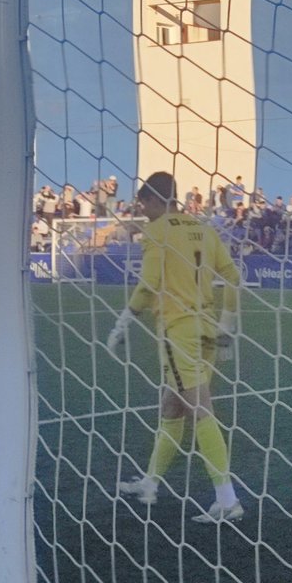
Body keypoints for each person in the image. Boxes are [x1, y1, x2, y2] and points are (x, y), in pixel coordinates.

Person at [105, 171, 243, 523]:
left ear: (154, 200)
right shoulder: (204, 228)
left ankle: (227, 500)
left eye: (143, 203)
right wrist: (226, 323)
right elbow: (233, 277)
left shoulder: (157, 231)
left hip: (178, 331)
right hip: (207, 328)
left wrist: (125, 320)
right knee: (172, 407)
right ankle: (150, 482)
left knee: (200, 409)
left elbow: (149, 282)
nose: (142, 210)